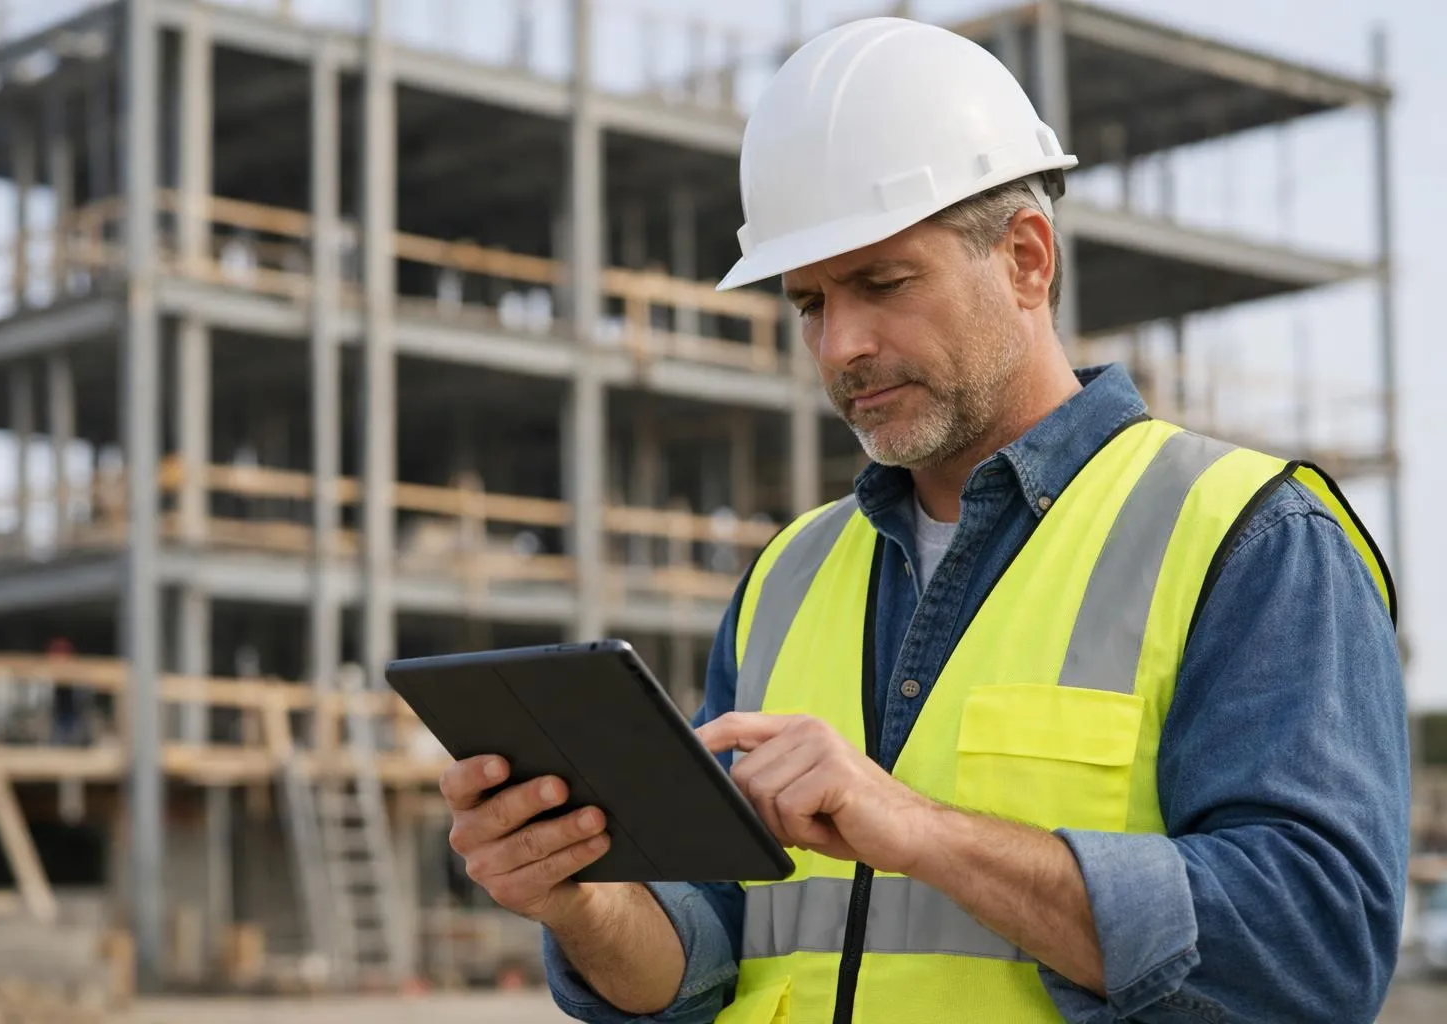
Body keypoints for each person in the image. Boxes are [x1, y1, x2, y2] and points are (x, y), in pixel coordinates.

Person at [437, 17, 1410, 1024]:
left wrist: (922, 830)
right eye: (809, 301)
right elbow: (708, 950)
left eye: (883, 283)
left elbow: (1313, 957)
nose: (842, 343)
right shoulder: (788, 577)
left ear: (1028, 260)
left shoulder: (1247, 538)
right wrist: (580, 899)